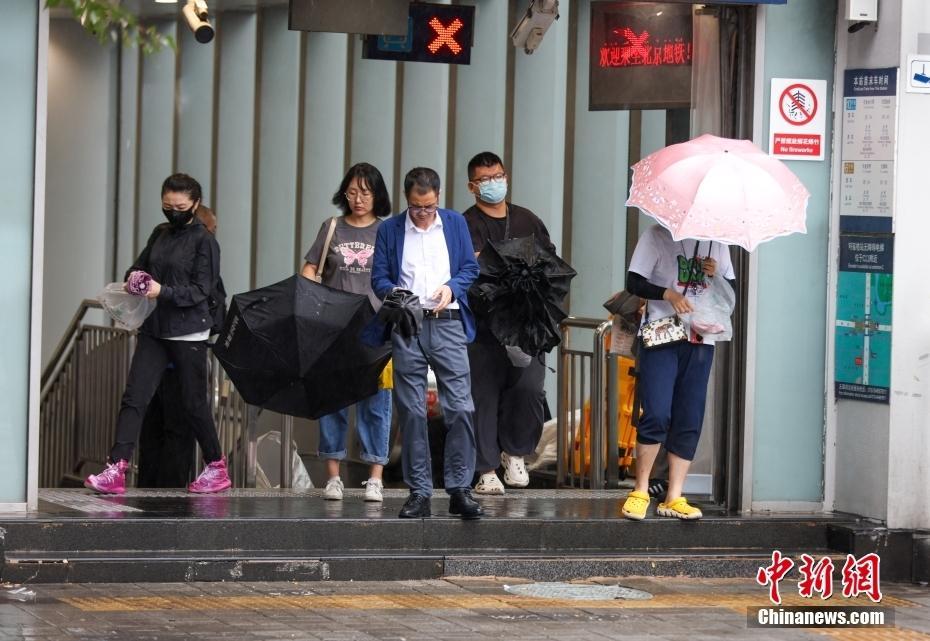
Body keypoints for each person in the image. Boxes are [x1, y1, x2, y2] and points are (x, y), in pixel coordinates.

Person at [85, 174, 230, 495]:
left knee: (194, 403)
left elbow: (201, 290)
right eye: (167, 206)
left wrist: (161, 290)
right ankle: (116, 467)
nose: (173, 212)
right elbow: (137, 266)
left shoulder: (204, 241)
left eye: (179, 206)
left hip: (189, 331)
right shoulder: (160, 233)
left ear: (194, 204)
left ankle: (216, 465)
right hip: (155, 328)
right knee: (135, 396)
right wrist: (134, 279)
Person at [368, 167, 482, 519]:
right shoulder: (390, 229)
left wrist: (452, 288)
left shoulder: (453, 223)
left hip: (447, 320)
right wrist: (398, 294)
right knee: (412, 409)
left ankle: (459, 488)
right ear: (407, 200)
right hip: (407, 323)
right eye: (417, 207)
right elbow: (379, 278)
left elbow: (469, 269)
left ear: (439, 196)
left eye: (430, 206)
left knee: (461, 406)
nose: (423, 213)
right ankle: (419, 490)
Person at [621, 224, 735, 520]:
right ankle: (641, 489)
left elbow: (731, 291)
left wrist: (715, 274)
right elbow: (634, 282)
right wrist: (667, 294)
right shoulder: (656, 235)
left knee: (689, 415)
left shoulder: (717, 241)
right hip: (662, 333)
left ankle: (674, 495)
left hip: (701, 337)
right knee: (657, 412)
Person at [300, 163, 393, 503]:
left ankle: (375, 477)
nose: (358, 199)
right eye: (352, 192)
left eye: (366, 192)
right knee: (332, 403)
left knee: (377, 404)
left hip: (376, 331)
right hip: (333, 330)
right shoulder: (332, 227)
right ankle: (334, 477)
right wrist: (310, 289)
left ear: (377, 195)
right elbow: (311, 266)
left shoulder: (387, 231)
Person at [462, 152, 554, 495]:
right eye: (485, 180)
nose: (493, 184)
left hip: (526, 324)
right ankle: (485, 468)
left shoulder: (528, 220)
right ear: (472, 186)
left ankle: (515, 452)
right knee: (481, 395)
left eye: (497, 176)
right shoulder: (465, 224)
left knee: (529, 387)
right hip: (482, 326)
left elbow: (549, 261)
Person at [137, 205, 224, 489]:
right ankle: (168, 489)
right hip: (179, 360)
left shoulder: (168, 266)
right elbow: (216, 315)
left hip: (162, 360)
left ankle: (150, 488)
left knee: (155, 428)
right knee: (178, 427)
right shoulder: (202, 272)